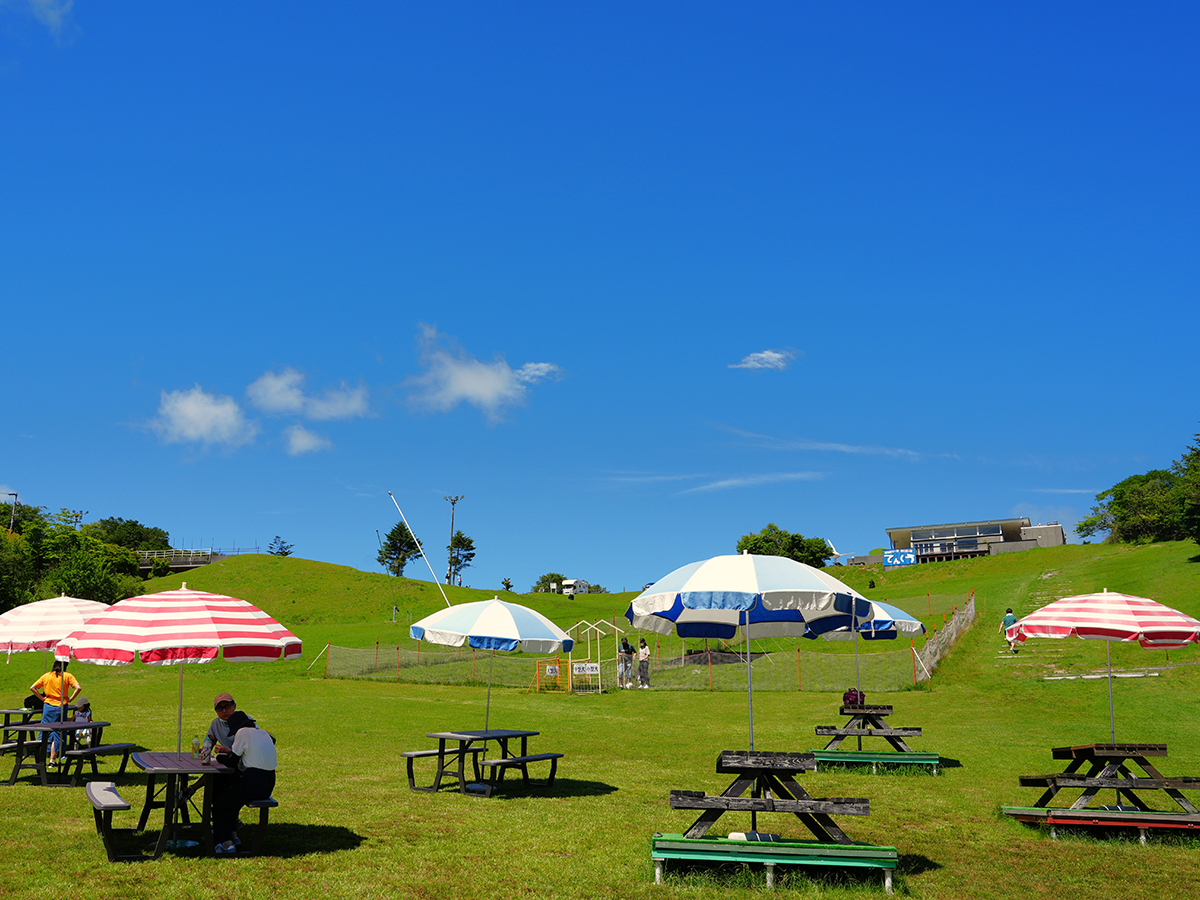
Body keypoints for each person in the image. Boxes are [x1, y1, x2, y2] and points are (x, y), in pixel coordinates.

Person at [212, 711, 276, 855]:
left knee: (220, 805)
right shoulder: (263, 733)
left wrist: (221, 758)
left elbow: (232, 762)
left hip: (253, 779)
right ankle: (233, 837)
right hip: (269, 782)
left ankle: (225, 844)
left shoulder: (242, 733)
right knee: (231, 801)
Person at [29, 661, 82, 766]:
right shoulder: (67, 676)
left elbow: (33, 688)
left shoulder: (47, 676)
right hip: (61, 705)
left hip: (48, 705)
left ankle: (41, 754)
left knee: (44, 730)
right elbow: (78, 688)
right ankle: (52, 759)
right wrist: (71, 698)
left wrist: (43, 699)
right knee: (58, 732)